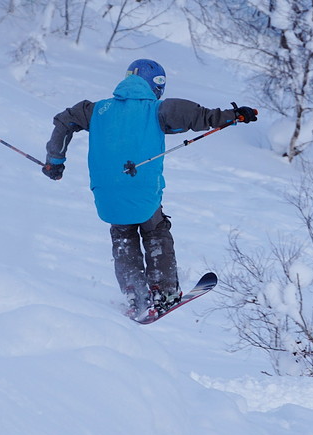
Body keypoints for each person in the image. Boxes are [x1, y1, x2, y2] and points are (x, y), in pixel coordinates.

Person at [43, 58, 257, 319]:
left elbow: (64, 121)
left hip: (106, 195)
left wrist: (55, 161)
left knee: (122, 233)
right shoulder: (159, 109)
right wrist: (235, 116)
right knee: (155, 228)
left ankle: (134, 294)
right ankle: (164, 291)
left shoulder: (95, 109)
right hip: (142, 191)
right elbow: (200, 117)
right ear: (155, 84)